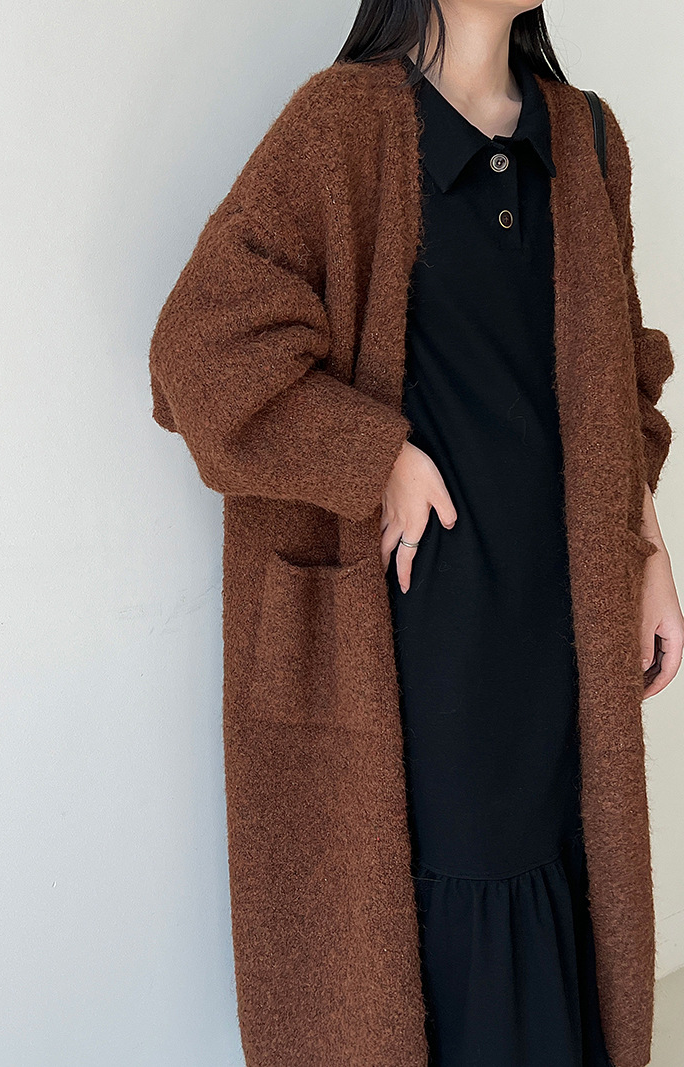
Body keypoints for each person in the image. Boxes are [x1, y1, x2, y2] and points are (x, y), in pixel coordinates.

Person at [149, 2, 682, 1063]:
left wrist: (648, 552)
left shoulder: (584, 136)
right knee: (445, 948)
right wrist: (374, 457)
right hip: (423, 642)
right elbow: (196, 352)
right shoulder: (342, 125)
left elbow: (618, 382)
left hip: (559, 640)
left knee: (570, 900)